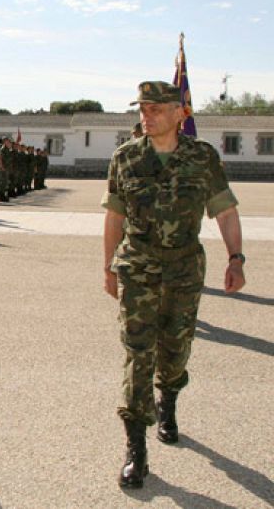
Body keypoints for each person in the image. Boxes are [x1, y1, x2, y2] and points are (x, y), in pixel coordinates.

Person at [102, 81, 245, 489]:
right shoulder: (126, 158)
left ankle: (169, 399)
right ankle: (136, 449)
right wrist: (109, 268)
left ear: (180, 113)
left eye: (156, 110)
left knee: (176, 349)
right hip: (138, 268)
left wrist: (236, 258)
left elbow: (225, 211)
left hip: (184, 269)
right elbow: (113, 217)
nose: (146, 116)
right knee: (137, 352)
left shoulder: (202, 157)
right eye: (142, 110)